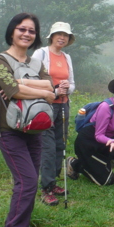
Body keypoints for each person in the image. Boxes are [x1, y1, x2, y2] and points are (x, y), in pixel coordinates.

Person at [0, 13, 55, 227]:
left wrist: (21, 85)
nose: (27, 34)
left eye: (32, 31)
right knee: (27, 182)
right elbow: (12, 90)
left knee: (28, 183)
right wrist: (35, 90)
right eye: (22, 29)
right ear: (12, 31)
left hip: (35, 128)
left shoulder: (36, 63)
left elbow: (50, 88)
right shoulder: (0, 60)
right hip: (9, 130)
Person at [32, 22, 75, 206]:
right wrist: (55, 90)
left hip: (63, 105)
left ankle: (54, 181)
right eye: (59, 34)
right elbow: (31, 80)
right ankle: (46, 188)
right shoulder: (40, 54)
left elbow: (72, 83)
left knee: (60, 144)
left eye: (65, 35)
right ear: (51, 36)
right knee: (48, 147)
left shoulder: (67, 57)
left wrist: (67, 87)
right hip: (45, 106)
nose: (62, 38)